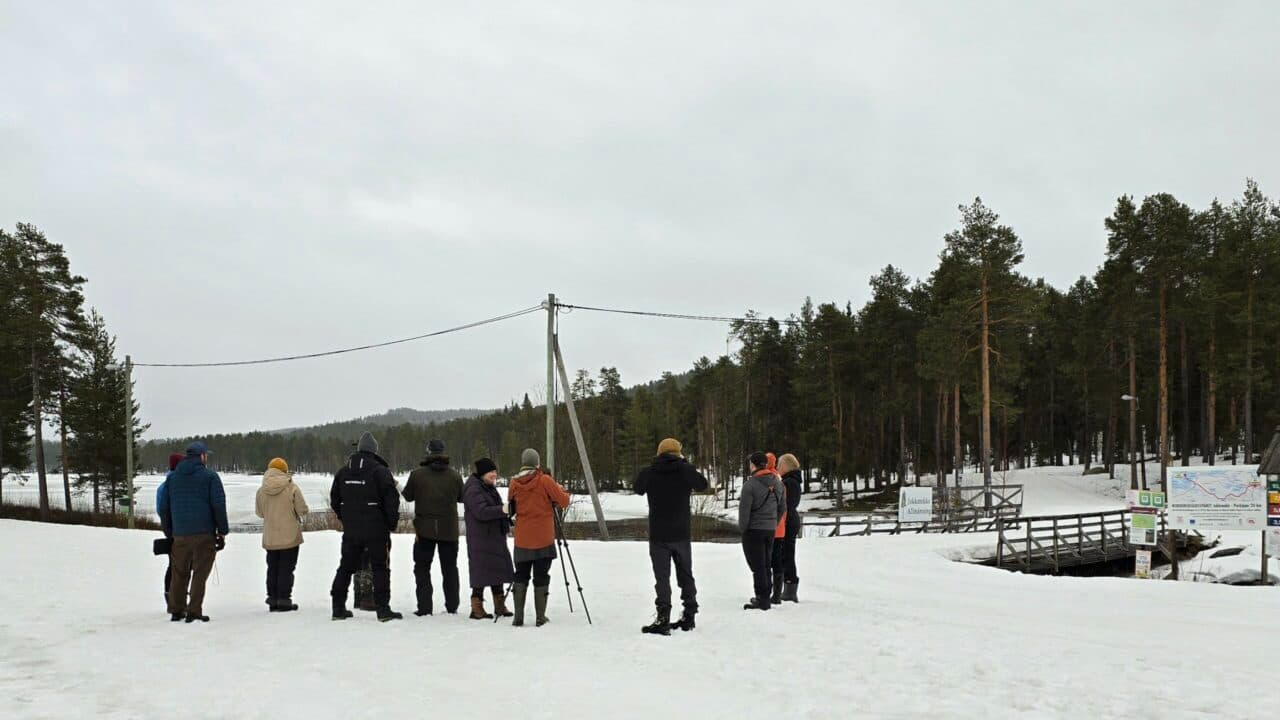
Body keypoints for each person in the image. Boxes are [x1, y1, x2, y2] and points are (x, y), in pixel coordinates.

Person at [634, 437, 708, 635]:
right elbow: (703, 484)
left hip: (659, 534)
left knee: (662, 577)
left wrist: (653, 466)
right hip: (681, 533)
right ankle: (689, 615)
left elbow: (637, 487)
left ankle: (663, 618)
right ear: (678, 453)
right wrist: (684, 464)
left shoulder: (650, 472)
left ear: (659, 453)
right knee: (686, 574)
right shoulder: (685, 471)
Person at [329, 432, 403, 622]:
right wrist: (390, 524)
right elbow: (391, 501)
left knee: (346, 567)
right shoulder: (380, 471)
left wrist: (345, 518)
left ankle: (338, 607)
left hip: (352, 530)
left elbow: (335, 500)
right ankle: (383, 609)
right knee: (380, 568)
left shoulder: (343, 472)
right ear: (374, 451)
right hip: (377, 530)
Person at [159, 441, 229, 623]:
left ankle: (176, 609)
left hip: (180, 534)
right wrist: (222, 531)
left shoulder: (172, 479)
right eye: (206, 455)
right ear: (201, 456)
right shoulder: (210, 477)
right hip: (204, 533)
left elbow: (165, 507)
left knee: (179, 572)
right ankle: (194, 610)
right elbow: (218, 505)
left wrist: (169, 531)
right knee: (199, 572)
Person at [507, 449, 570, 627]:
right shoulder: (544, 480)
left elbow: (512, 506)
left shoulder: (513, 483)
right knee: (541, 575)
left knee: (521, 575)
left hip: (522, 538)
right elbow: (564, 501)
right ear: (537, 463)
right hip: (543, 538)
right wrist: (561, 492)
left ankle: (518, 617)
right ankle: (540, 617)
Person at [401, 439, 464, 616]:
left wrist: (397, 485)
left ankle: (424, 608)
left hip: (424, 531)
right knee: (450, 569)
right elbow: (462, 498)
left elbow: (407, 497)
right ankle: (452, 607)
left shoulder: (417, 475)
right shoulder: (455, 475)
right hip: (449, 531)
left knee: (422, 569)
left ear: (428, 453)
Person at [462, 457, 515, 620]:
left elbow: (493, 508)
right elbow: (482, 512)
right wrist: (503, 509)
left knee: (496, 569)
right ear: (483, 473)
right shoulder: (473, 488)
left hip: (492, 536)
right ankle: (476, 607)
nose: (494, 475)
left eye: (495, 471)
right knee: (481, 572)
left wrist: (507, 517)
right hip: (481, 538)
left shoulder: (487, 486)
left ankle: (499, 604)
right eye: (491, 472)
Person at [255, 457, 309, 612]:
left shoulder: (261, 490)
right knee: (287, 568)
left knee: (272, 567)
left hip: (270, 536)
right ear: (285, 470)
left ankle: (272, 599)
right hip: (290, 536)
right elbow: (302, 510)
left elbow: (259, 513)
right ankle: (284, 599)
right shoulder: (292, 487)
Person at [738, 451, 784, 611]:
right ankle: (766, 594)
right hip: (770, 529)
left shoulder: (750, 485)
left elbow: (744, 512)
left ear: (753, 465)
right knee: (766, 563)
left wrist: (743, 530)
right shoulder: (778, 483)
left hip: (753, 530)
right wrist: (774, 522)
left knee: (757, 565)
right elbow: (782, 507)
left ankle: (762, 598)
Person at [157, 452, 183, 610]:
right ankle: (174, 596)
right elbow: (163, 509)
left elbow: (160, 509)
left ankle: (171, 595)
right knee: (178, 565)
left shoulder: (164, 485)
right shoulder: (171, 485)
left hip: (171, 529)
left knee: (173, 564)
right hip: (178, 530)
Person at [776, 453, 803, 603]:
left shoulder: (789, 483)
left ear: (786, 466)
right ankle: (788, 587)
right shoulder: (792, 481)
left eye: (780, 465)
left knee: (786, 554)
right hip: (790, 520)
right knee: (786, 553)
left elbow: (785, 505)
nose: (778, 468)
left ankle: (790, 587)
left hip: (788, 521)